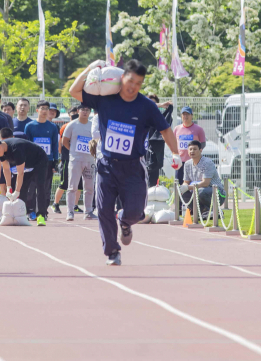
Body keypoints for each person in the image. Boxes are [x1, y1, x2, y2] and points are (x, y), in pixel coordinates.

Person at [69, 59, 181, 266]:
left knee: (137, 212)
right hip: (106, 165)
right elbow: (73, 91)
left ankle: (126, 222)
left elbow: (165, 129)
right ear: (122, 77)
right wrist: (90, 68)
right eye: (130, 81)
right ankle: (112, 251)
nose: (133, 87)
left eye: (138, 83)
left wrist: (176, 153)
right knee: (103, 211)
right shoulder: (105, 100)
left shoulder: (146, 106)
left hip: (133, 167)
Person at [0, 136, 49, 226]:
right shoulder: (1, 151)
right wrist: (9, 187)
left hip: (40, 160)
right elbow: (6, 169)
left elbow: (20, 173)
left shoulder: (16, 148)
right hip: (27, 163)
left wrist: (16, 191)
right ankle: (21, 214)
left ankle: (41, 215)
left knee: (39, 186)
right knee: (21, 188)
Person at [24, 100, 58, 223]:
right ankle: (31, 211)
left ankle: (42, 212)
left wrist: (55, 160)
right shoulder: (30, 126)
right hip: (33, 162)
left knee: (45, 189)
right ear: (37, 110)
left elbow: (55, 145)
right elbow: (26, 144)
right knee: (31, 189)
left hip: (47, 162)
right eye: (42, 108)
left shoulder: (52, 127)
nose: (44, 111)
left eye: (46, 109)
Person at [62, 104, 97, 221]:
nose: (85, 112)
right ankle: (70, 212)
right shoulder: (72, 125)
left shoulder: (92, 125)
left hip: (90, 160)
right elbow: (65, 141)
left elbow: (96, 141)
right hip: (75, 160)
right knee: (72, 187)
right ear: (78, 111)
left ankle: (88, 211)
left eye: (88, 110)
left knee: (89, 187)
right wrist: (73, 151)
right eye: (83, 110)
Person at [180, 140, 226, 215]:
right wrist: (183, 187)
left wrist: (188, 187)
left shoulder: (207, 163)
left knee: (201, 191)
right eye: (190, 149)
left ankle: (215, 211)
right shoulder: (187, 164)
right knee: (182, 192)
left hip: (217, 193)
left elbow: (205, 183)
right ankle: (201, 211)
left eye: (195, 149)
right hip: (197, 191)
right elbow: (186, 181)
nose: (192, 151)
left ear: (201, 150)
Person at [52, 107, 79, 214]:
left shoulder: (84, 126)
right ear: (69, 115)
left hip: (79, 158)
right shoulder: (65, 126)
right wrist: (62, 155)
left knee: (79, 184)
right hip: (67, 158)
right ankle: (55, 203)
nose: (75, 115)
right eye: (72, 114)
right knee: (64, 183)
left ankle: (75, 205)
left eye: (76, 113)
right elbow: (61, 143)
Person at [146, 94, 174, 187]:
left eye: (154, 104)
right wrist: (161, 104)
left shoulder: (160, 120)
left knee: (151, 186)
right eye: (149, 103)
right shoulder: (138, 116)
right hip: (138, 157)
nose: (151, 105)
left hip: (152, 158)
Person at [173, 106, 206, 185]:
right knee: (179, 183)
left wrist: (196, 153)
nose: (185, 116)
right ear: (181, 116)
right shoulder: (177, 129)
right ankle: (180, 197)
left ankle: (194, 197)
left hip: (193, 161)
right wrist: (174, 155)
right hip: (180, 162)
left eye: (187, 114)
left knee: (193, 183)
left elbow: (203, 143)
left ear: (192, 115)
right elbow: (173, 143)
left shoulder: (198, 129)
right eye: (183, 114)